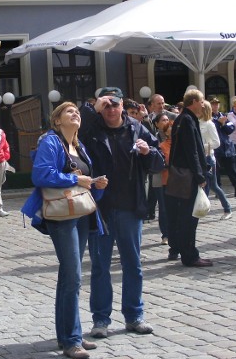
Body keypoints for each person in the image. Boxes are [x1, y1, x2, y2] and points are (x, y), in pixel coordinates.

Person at [21, 102, 108, 359]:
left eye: (76, 111)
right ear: (57, 121)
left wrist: (95, 182)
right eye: (69, 112)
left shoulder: (78, 146)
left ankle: (67, 335)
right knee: (73, 277)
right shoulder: (50, 141)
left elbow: (85, 180)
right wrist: (76, 179)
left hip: (80, 213)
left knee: (69, 275)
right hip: (62, 216)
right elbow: (41, 175)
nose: (75, 114)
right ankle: (72, 341)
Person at [78, 86, 163, 339]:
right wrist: (92, 108)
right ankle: (101, 319)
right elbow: (74, 131)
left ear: (123, 106)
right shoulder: (92, 131)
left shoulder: (137, 129)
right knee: (100, 267)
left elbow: (158, 161)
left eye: (115, 104)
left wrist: (148, 152)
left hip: (130, 207)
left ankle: (134, 315)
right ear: (100, 108)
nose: (112, 109)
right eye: (106, 105)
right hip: (101, 208)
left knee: (133, 265)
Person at [166, 89, 212, 267]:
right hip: (188, 176)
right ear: (193, 101)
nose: (203, 104)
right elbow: (191, 151)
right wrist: (200, 175)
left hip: (186, 174)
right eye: (201, 101)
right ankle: (190, 255)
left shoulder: (184, 119)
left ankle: (186, 251)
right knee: (188, 218)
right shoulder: (186, 120)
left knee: (186, 217)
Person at [199, 100, 232, 220]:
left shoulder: (209, 124)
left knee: (213, 185)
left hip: (208, 157)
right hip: (199, 157)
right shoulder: (197, 122)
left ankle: (227, 208)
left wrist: (203, 146)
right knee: (206, 184)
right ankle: (203, 207)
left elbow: (217, 142)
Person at [210, 96, 236, 197]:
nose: (215, 106)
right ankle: (218, 191)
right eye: (213, 104)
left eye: (217, 104)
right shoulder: (209, 118)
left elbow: (231, 128)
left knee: (232, 170)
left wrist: (223, 124)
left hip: (227, 147)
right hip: (216, 147)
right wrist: (219, 123)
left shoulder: (223, 116)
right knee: (217, 171)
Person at [152, 112, 170, 244]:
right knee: (163, 207)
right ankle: (165, 234)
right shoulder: (154, 138)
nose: (165, 122)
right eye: (162, 120)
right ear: (157, 124)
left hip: (173, 178)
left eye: (167, 120)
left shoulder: (174, 138)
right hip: (159, 177)